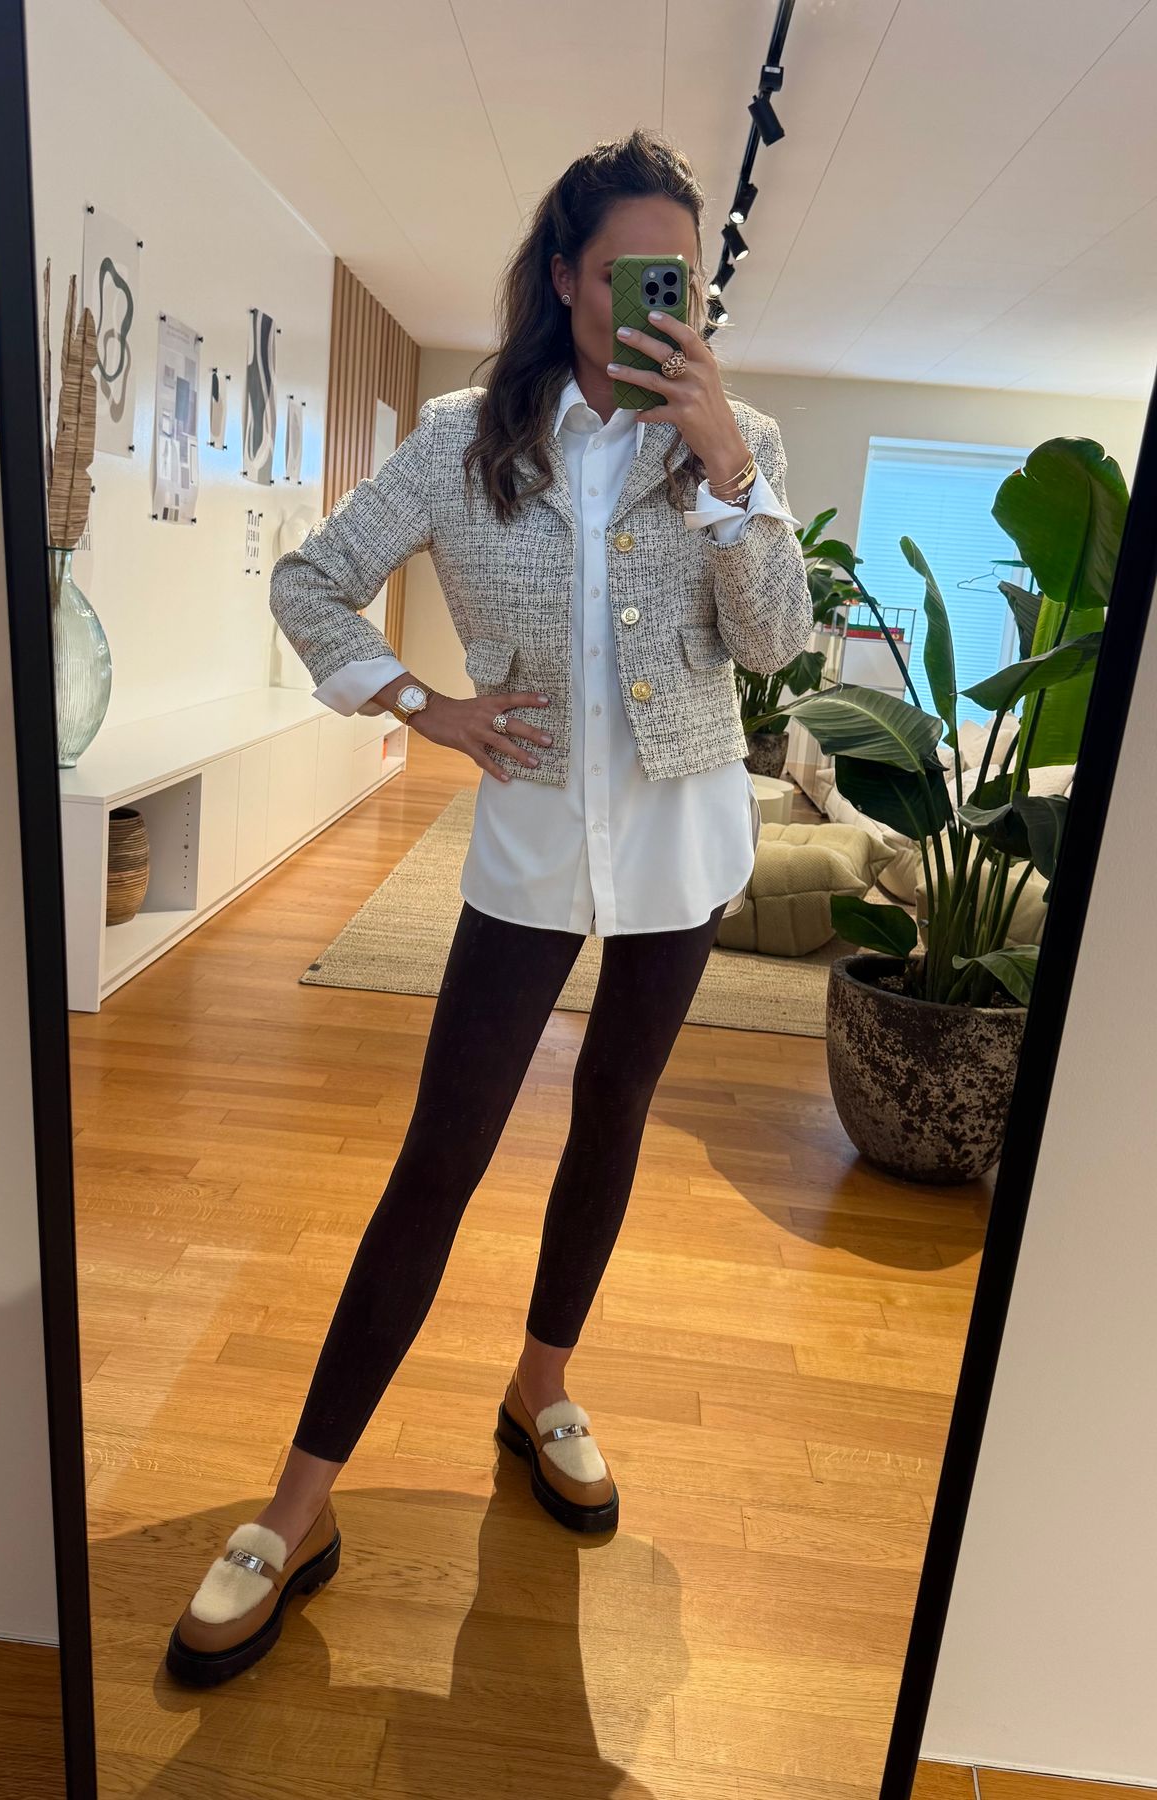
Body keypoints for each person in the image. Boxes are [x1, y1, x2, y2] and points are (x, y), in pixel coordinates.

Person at [166, 126, 811, 1686]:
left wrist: (729, 469)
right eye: (632, 272)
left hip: (679, 839)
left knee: (614, 1111)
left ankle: (542, 1385)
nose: (660, 302)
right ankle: (296, 1505)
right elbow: (311, 580)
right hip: (529, 837)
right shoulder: (464, 437)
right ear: (569, 276)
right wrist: (421, 706)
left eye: (682, 275)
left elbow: (776, 643)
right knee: (440, 1157)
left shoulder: (736, 441)